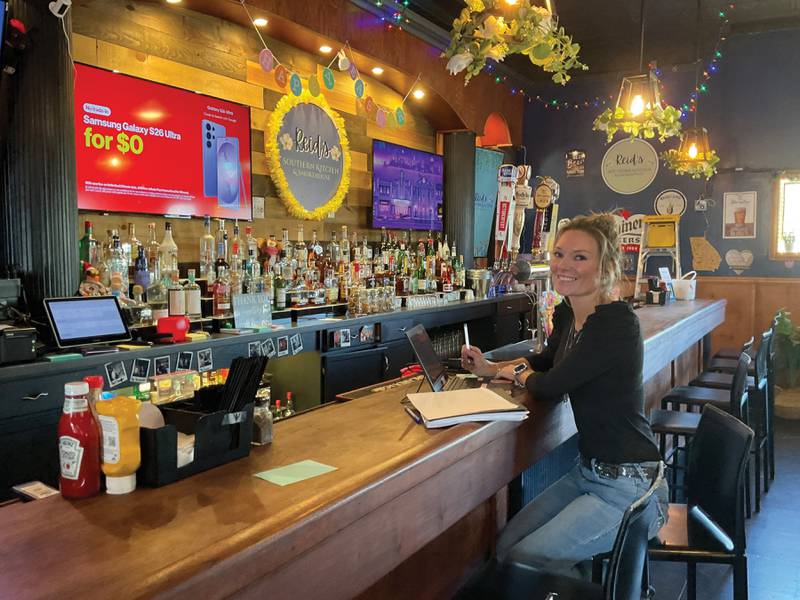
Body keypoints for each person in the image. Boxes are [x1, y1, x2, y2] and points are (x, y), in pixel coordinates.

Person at [461, 213, 668, 578]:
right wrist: (490, 369)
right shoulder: (570, 314)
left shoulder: (616, 324)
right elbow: (544, 361)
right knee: (508, 548)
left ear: (604, 267)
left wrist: (518, 373)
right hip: (587, 473)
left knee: (527, 561)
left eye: (580, 257)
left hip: (630, 486)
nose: (564, 265)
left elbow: (552, 382)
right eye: (559, 254)